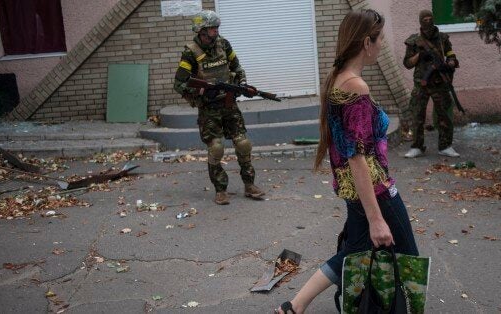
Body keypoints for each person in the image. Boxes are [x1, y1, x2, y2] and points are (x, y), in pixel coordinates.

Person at [275, 9, 419, 314]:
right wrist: (377, 217)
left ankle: (295, 306)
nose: (382, 46)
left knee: (355, 251)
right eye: (379, 39)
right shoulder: (355, 87)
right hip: (375, 190)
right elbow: (357, 157)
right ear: (367, 42)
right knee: (408, 257)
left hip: (354, 190)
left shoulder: (337, 78)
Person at [173, 10, 264, 205]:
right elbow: (179, 84)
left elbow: (237, 68)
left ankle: (250, 185)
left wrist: (242, 84)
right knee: (216, 147)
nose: (216, 32)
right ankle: (220, 190)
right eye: (212, 29)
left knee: (243, 143)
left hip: (229, 104)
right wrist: (201, 93)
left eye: (216, 28)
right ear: (201, 31)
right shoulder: (191, 52)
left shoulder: (224, 44)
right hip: (209, 110)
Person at [403, 9, 461, 158]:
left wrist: (451, 62)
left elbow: (450, 54)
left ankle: (445, 146)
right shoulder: (414, 41)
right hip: (421, 84)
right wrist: (419, 55)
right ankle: (417, 146)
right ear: (420, 22)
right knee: (417, 115)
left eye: (430, 18)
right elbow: (408, 63)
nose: (428, 21)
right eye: (425, 19)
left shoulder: (442, 39)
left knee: (444, 116)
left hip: (439, 82)